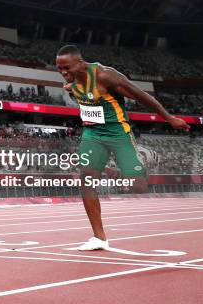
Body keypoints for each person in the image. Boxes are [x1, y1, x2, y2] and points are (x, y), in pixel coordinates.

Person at [55, 45, 189, 250]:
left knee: (137, 186)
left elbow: (142, 96)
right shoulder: (71, 81)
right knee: (86, 181)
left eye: (67, 68)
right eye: (59, 69)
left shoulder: (106, 76)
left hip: (118, 132)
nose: (63, 73)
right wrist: (72, 89)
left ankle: (142, 158)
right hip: (92, 134)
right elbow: (86, 98)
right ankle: (99, 238)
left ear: (80, 63)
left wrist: (169, 118)